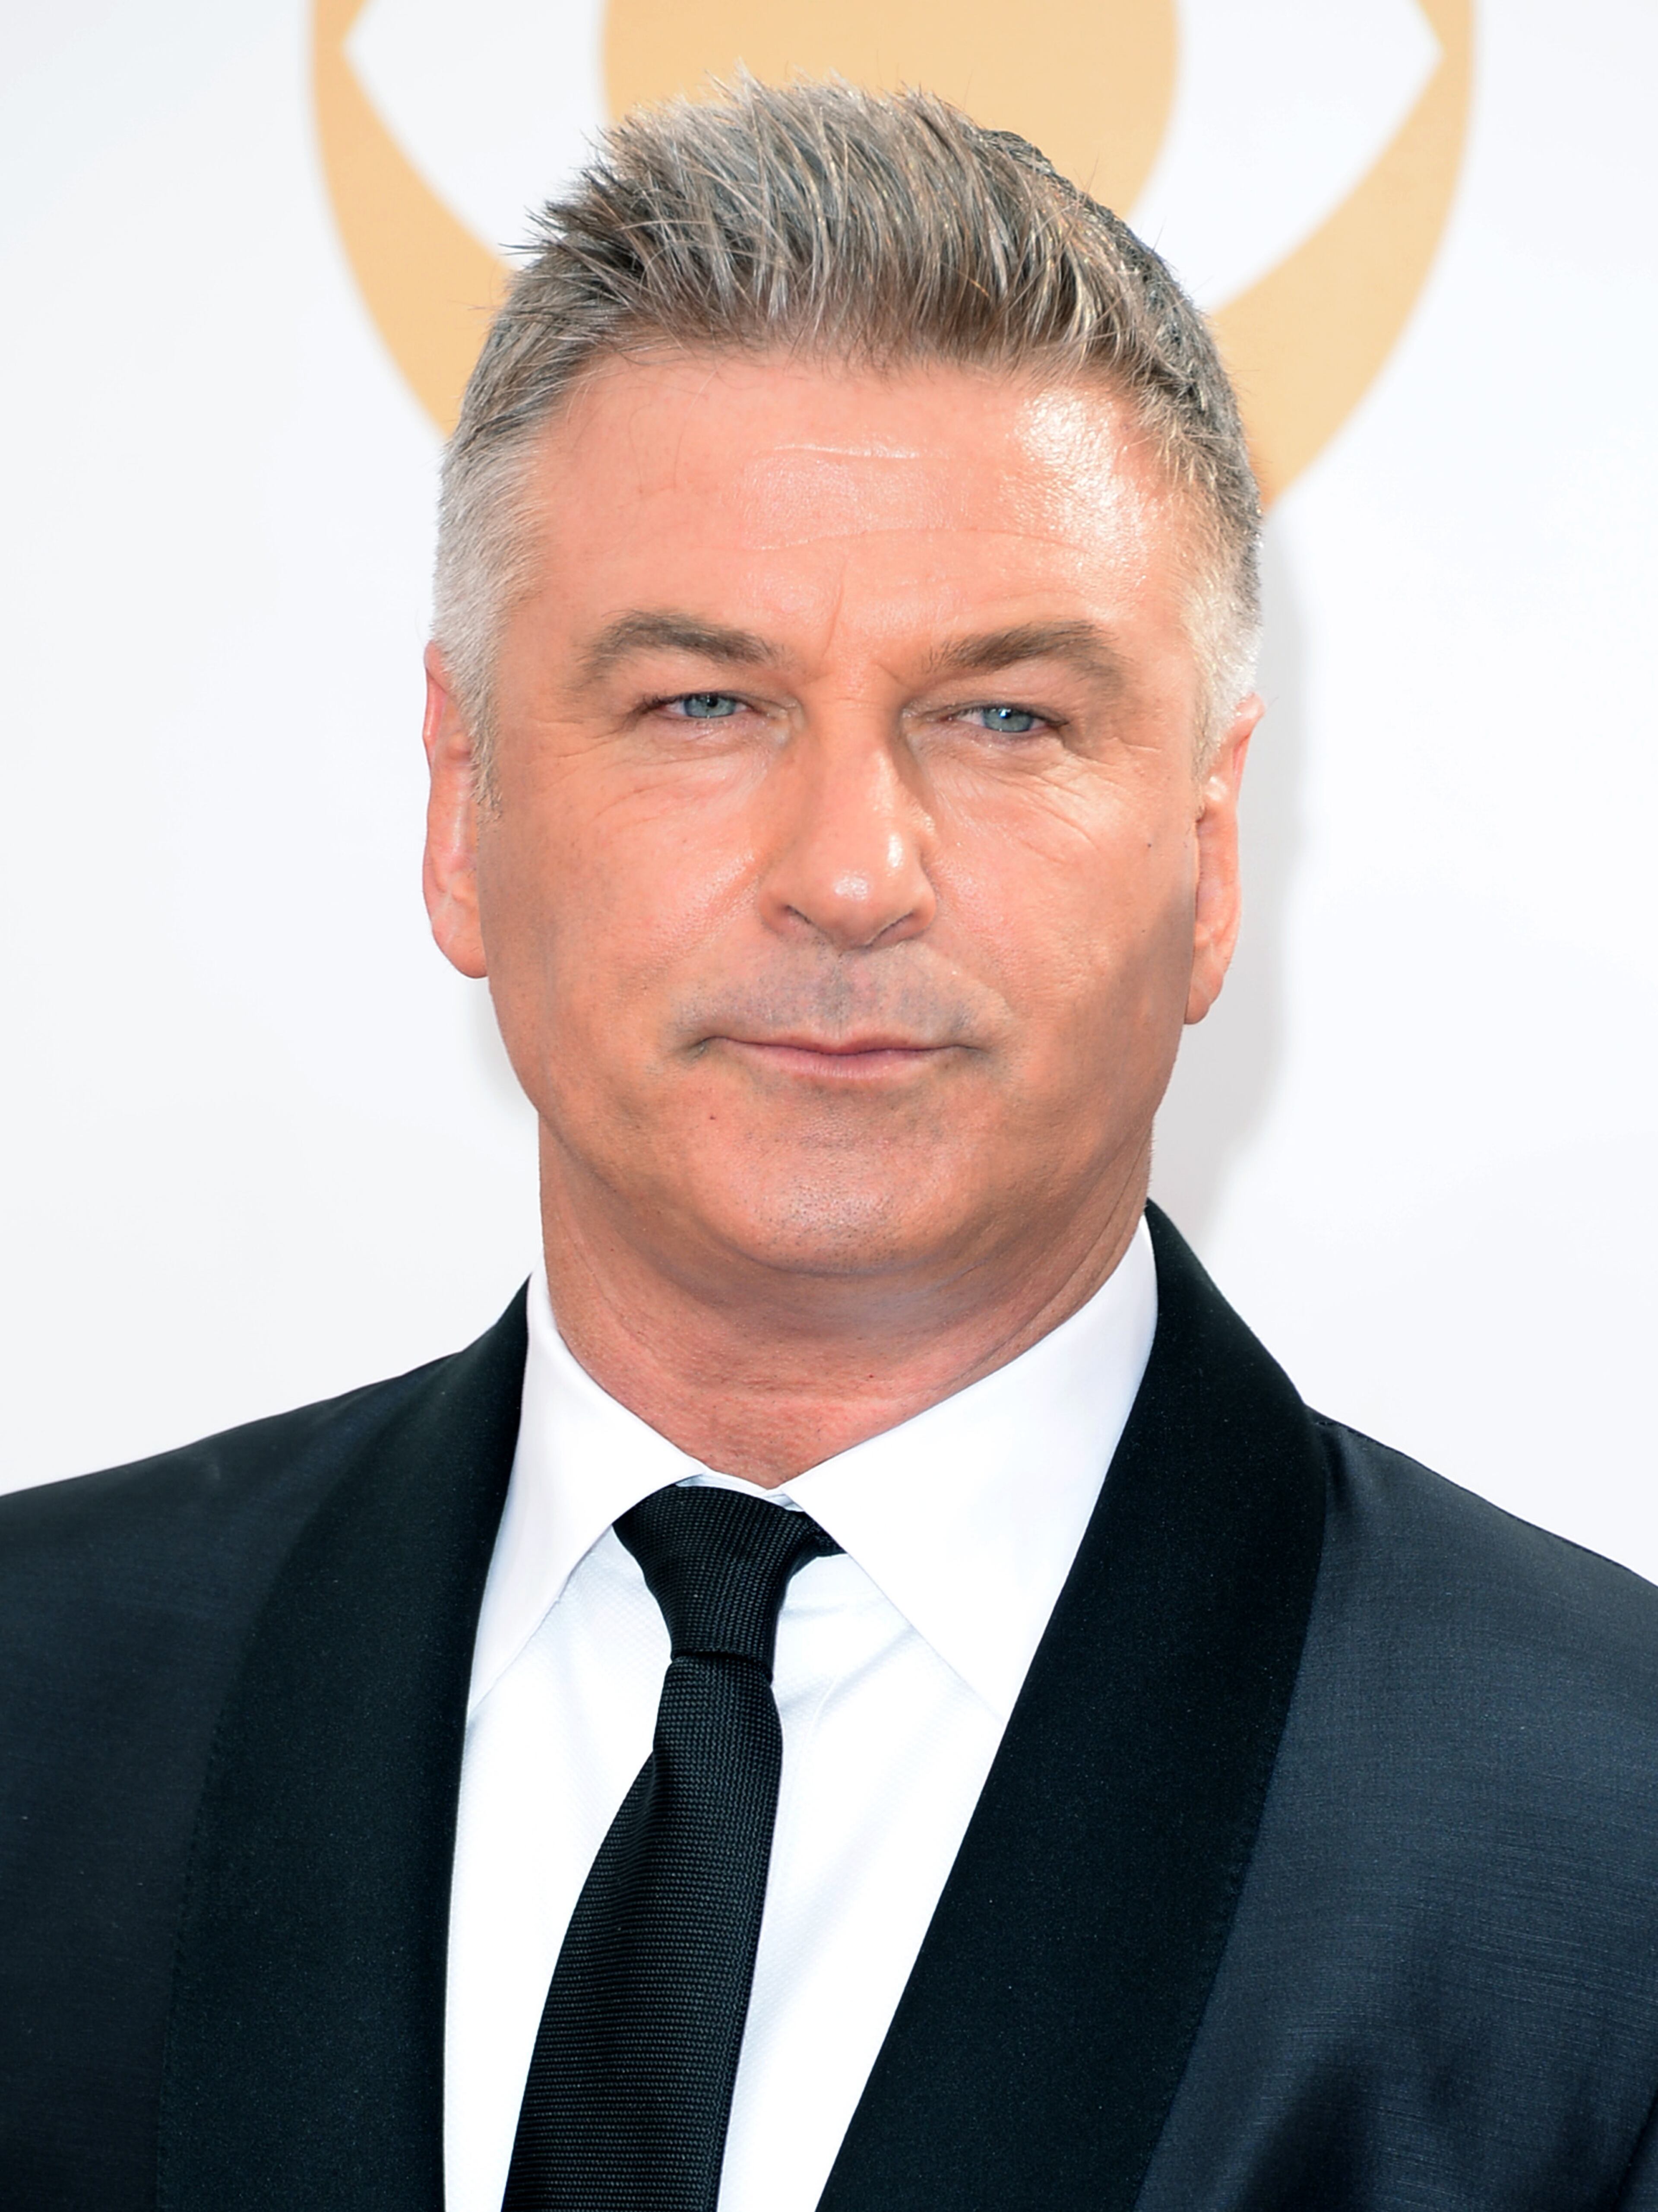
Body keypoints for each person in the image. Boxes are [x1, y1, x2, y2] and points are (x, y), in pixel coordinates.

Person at [3, 76, 1657, 2212]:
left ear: (1210, 855)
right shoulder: (39, 1703)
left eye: (1006, 716)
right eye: (704, 704)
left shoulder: (1609, 1846)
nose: (852, 871)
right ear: (462, 809)